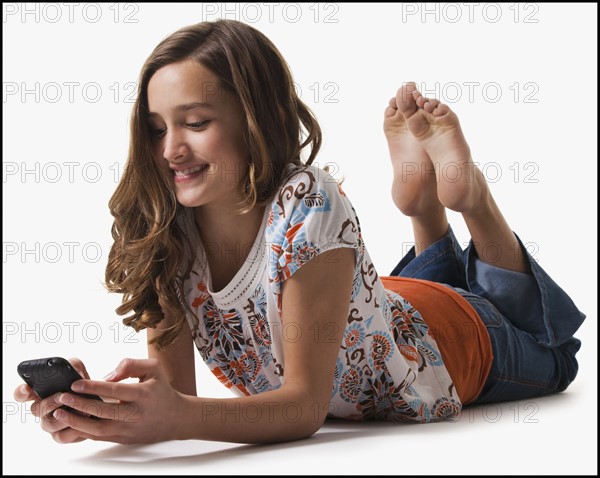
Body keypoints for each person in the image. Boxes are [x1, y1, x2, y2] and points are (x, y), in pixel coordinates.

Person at [14, 19, 585, 445]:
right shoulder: (163, 227)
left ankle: (468, 199)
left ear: (256, 120)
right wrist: (104, 411)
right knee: (397, 301)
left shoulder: (308, 202)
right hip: (378, 306)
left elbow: (303, 409)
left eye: (196, 123)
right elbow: (177, 396)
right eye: (158, 127)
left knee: (552, 352)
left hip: (446, 343)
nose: (170, 150)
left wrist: (177, 418)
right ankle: (424, 208)